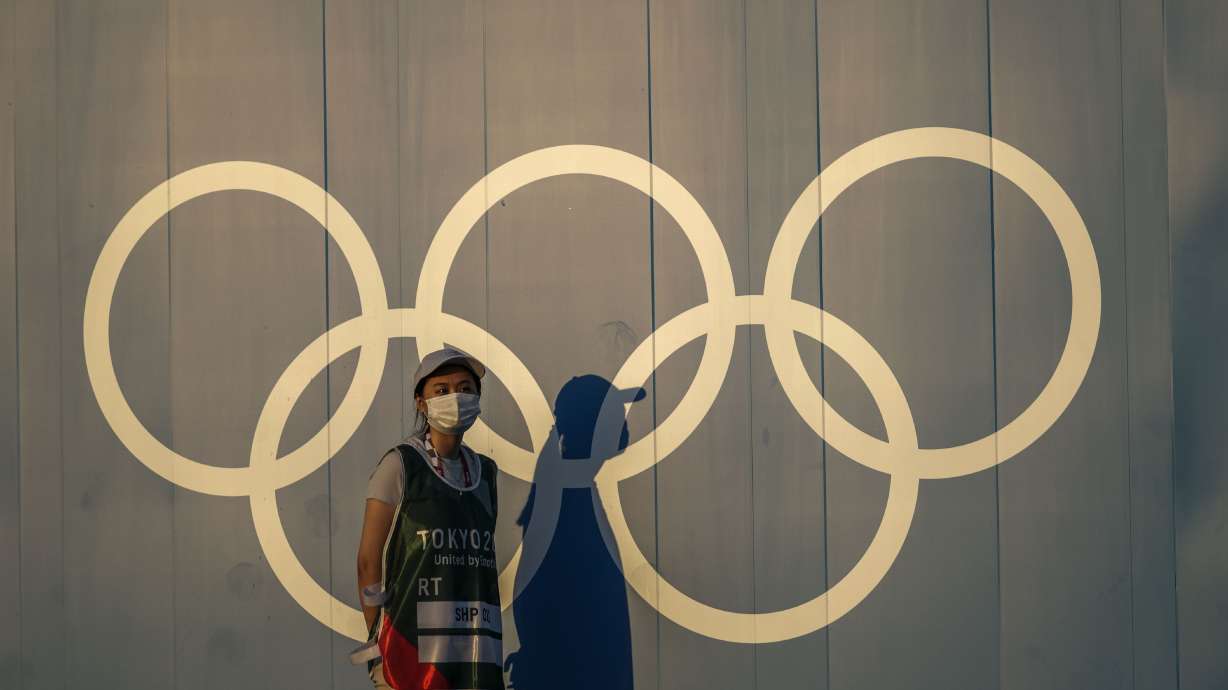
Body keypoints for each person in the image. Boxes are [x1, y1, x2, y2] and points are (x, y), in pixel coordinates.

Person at [351, 347, 503, 690]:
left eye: (466, 388)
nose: (456, 397)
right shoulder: (400, 465)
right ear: (421, 401)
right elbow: (367, 561)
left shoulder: (485, 474)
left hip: (475, 658)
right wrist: (381, 638)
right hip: (412, 659)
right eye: (442, 390)